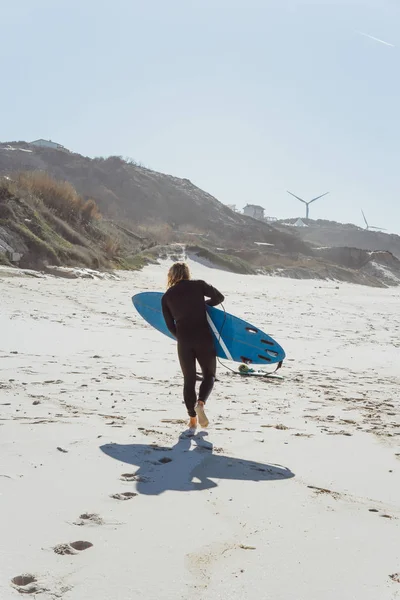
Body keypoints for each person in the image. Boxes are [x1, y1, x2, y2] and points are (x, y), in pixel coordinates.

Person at [161, 262, 224, 430]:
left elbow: (169, 325)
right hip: (203, 337)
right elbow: (219, 297)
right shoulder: (199, 285)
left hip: (184, 341)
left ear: (171, 275)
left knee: (189, 379)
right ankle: (201, 403)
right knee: (209, 375)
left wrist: (181, 338)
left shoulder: (167, 296)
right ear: (187, 273)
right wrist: (203, 306)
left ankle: (192, 419)